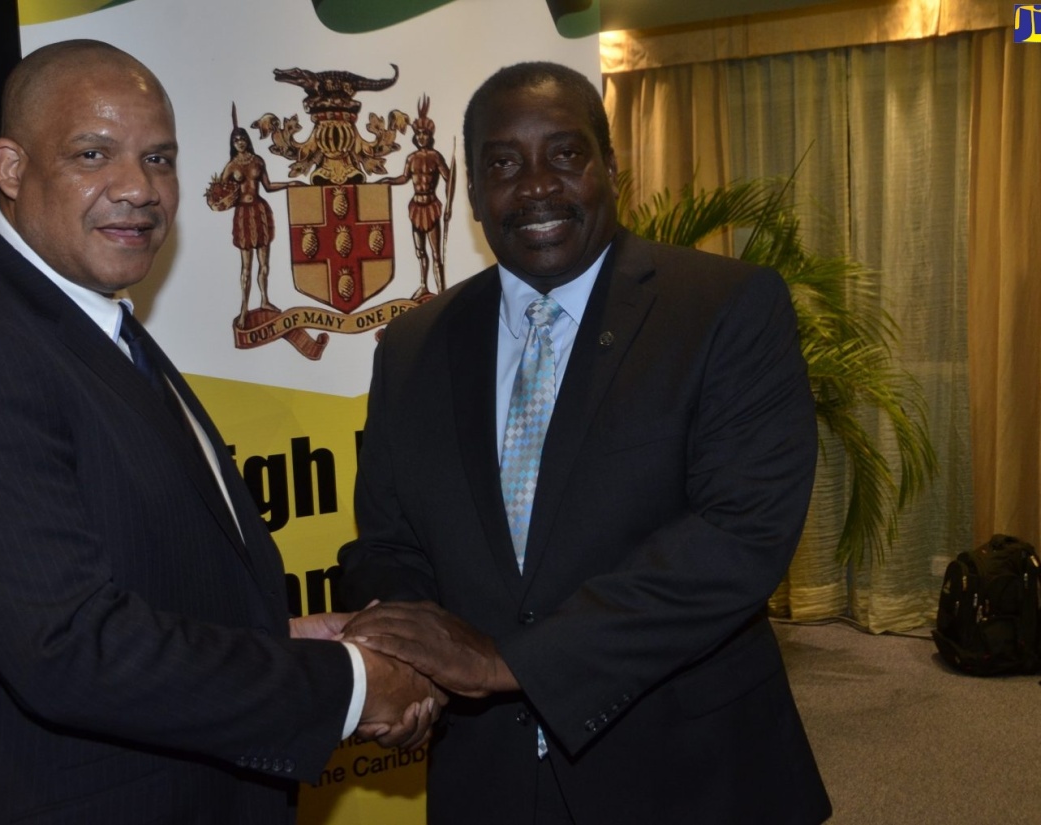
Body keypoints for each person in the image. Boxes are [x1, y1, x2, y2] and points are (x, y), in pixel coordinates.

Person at [0, 39, 440, 824]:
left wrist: (280, 638)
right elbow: (69, 649)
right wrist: (352, 684)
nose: (138, 188)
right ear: (11, 168)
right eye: (94, 153)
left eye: (158, 158)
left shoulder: (87, 321)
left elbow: (125, 577)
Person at [337, 61, 832, 824]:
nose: (535, 186)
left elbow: (738, 538)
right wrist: (409, 660)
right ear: (472, 193)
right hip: (487, 777)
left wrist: (512, 664)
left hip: (688, 773)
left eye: (565, 155)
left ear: (610, 166)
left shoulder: (726, 308)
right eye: (503, 163)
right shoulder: (411, 346)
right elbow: (389, 539)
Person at [206, 108, 299, 329]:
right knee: (246, 267)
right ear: (233, 143)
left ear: (247, 141)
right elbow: (218, 193)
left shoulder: (258, 161)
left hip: (259, 210)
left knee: (264, 263)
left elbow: (267, 186)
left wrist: (289, 184)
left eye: (242, 138)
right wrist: (219, 201)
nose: (240, 142)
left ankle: (265, 299)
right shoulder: (231, 166)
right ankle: (244, 309)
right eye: (236, 140)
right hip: (243, 214)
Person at [379, 95, 453, 299]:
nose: (422, 137)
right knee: (420, 252)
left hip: (431, 205)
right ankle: (423, 284)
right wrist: (388, 181)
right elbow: (404, 178)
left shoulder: (435, 157)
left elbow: (450, 179)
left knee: (436, 254)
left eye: (425, 134)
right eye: (419, 134)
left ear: (430, 136)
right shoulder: (411, 158)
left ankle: (441, 288)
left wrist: (448, 206)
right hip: (416, 207)